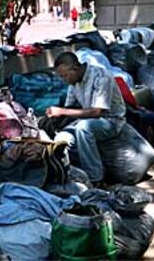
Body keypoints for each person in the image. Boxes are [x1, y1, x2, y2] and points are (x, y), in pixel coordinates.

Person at [46, 52, 126, 183]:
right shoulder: (74, 81)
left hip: (111, 121)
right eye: (61, 76)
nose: (64, 80)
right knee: (62, 138)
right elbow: (69, 106)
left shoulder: (101, 77)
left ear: (75, 69)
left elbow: (97, 112)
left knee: (84, 128)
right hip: (86, 119)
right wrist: (54, 120)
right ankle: (69, 175)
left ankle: (96, 178)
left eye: (65, 75)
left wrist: (62, 111)